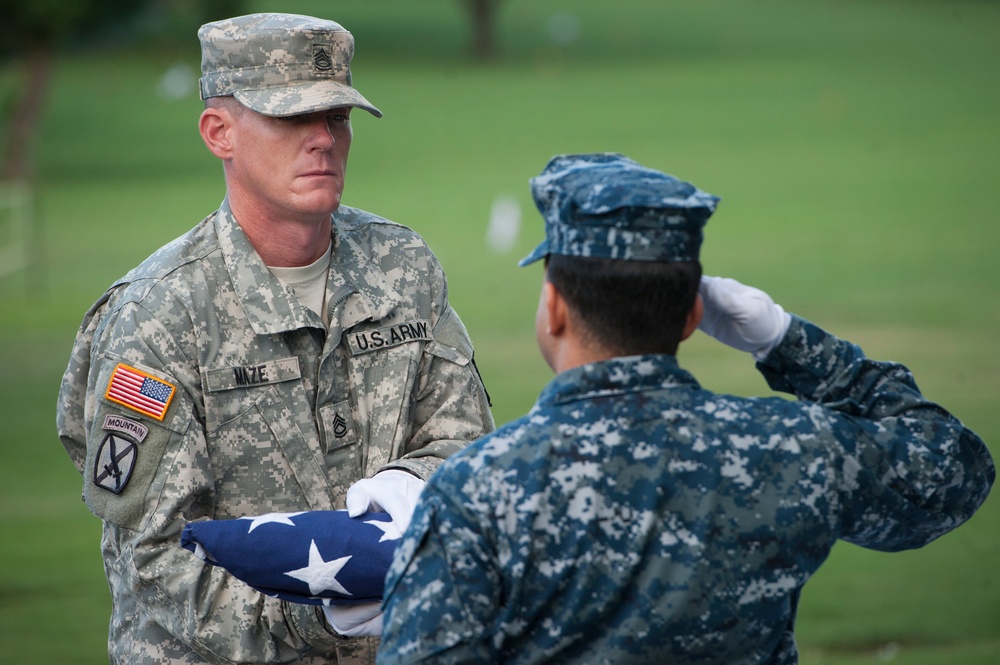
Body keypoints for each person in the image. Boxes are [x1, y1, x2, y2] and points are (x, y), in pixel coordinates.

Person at [377, 153, 995, 664]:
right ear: (695, 313)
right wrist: (786, 341)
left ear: (556, 308)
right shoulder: (791, 450)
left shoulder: (477, 488)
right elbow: (952, 470)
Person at [55, 13, 493, 665]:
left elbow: (470, 452)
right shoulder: (160, 311)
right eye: (293, 117)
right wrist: (324, 609)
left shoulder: (403, 267)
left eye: (338, 117)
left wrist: (392, 501)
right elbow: (159, 556)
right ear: (218, 132)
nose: (322, 139)